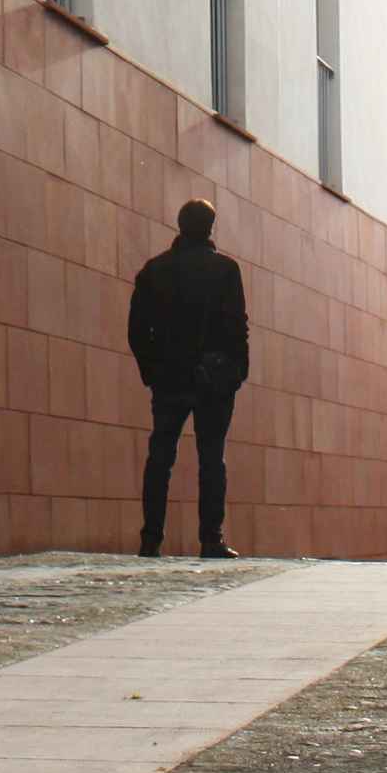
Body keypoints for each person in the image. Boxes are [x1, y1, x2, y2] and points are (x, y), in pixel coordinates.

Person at [127, 196, 249, 559]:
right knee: (212, 459)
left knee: (160, 457)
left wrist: (152, 372)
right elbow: (237, 326)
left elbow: (136, 330)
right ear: (210, 227)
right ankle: (211, 539)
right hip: (214, 379)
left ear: (180, 226)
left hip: (169, 378)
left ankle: (151, 540)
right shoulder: (226, 270)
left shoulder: (155, 270)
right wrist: (237, 371)